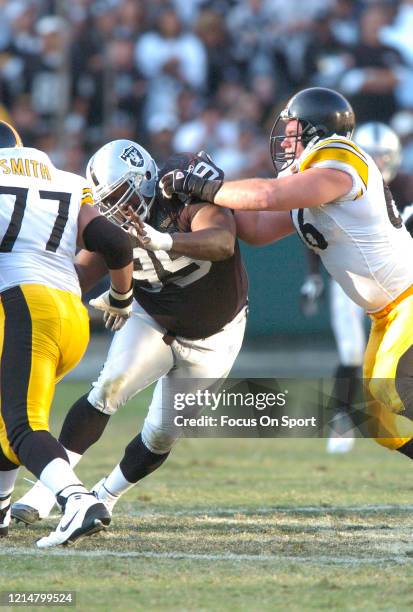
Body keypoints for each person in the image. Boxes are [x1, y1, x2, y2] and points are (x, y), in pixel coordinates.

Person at [160, 86, 413, 459]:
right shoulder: (308, 181)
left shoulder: (340, 159)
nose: (286, 137)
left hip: (407, 298)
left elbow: (264, 197)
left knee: (392, 386)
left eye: (294, 128)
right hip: (385, 313)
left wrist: (204, 186)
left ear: (315, 130)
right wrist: (202, 198)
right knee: (374, 421)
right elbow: (257, 229)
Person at [12, 140, 248, 523]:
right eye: (105, 200)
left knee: (161, 434)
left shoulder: (181, 195)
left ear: (144, 182)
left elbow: (222, 242)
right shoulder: (111, 222)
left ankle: (106, 494)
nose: (114, 209)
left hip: (215, 334)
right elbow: (77, 274)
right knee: (108, 389)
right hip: (151, 318)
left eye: (120, 195)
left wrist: (164, 239)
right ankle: (47, 491)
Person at [0, 122, 134, 547]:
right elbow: (116, 244)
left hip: (23, 309)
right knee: (8, 418)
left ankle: (75, 500)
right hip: (70, 316)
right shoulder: (68, 182)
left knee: (22, 425)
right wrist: (121, 296)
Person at [300, 121, 410, 454]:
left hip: (400, 286)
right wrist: (313, 275)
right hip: (353, 278)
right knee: (351, 352)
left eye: (384, 156)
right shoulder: (339, 180)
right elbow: (312, 229)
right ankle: (342, 419)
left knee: (389, 381)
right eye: (371, 156)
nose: (377, 163)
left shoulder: (406, 186)